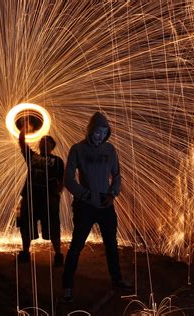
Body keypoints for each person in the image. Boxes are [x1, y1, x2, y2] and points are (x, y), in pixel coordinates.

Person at [61, 111, 131, 302]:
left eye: (104, 131)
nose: (100, 135)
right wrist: (84, 195)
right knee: (76, 245)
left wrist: (113, 194)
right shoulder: (77, 149)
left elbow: (117, 175)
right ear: (90, 131)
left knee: (111, 244)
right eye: (98, 131)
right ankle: (67, 285)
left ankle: (116, 279)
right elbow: (68, 179)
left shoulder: (110, 150)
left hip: (105, 203)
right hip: (86, 205)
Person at [17, 121, 65, 267]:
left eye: (46, 142)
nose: (43, 143)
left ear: (52, 146)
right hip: (30, 198)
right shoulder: (32, 156)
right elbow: (21, 141)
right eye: (41, 141)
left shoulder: (57, 161)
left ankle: (58, 255)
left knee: (53, 227)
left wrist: (56, 195)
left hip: (48, 199)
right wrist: (25, 127)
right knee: (26, 226)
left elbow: (62, 179)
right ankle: (25, 253)